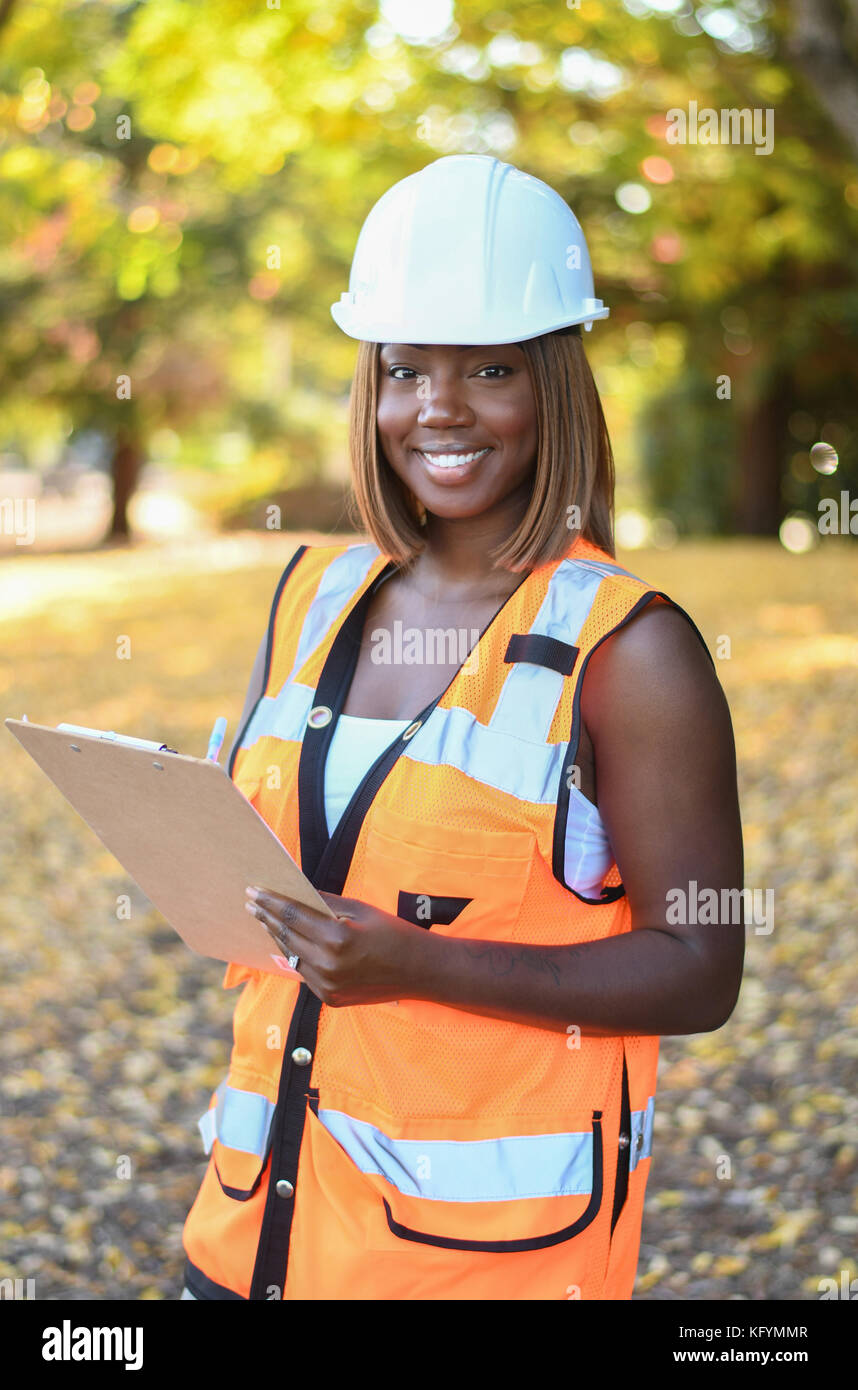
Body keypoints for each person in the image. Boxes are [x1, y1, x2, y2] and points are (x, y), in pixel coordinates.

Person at [178, 154, 744, 1301]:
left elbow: (700, 970)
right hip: (250, 1241)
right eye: (403, 371)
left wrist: (418, 963)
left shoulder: (629, 650)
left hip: (481, 1271)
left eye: (488, 368)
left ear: (555, 388)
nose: (436, 409)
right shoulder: (308, 597)